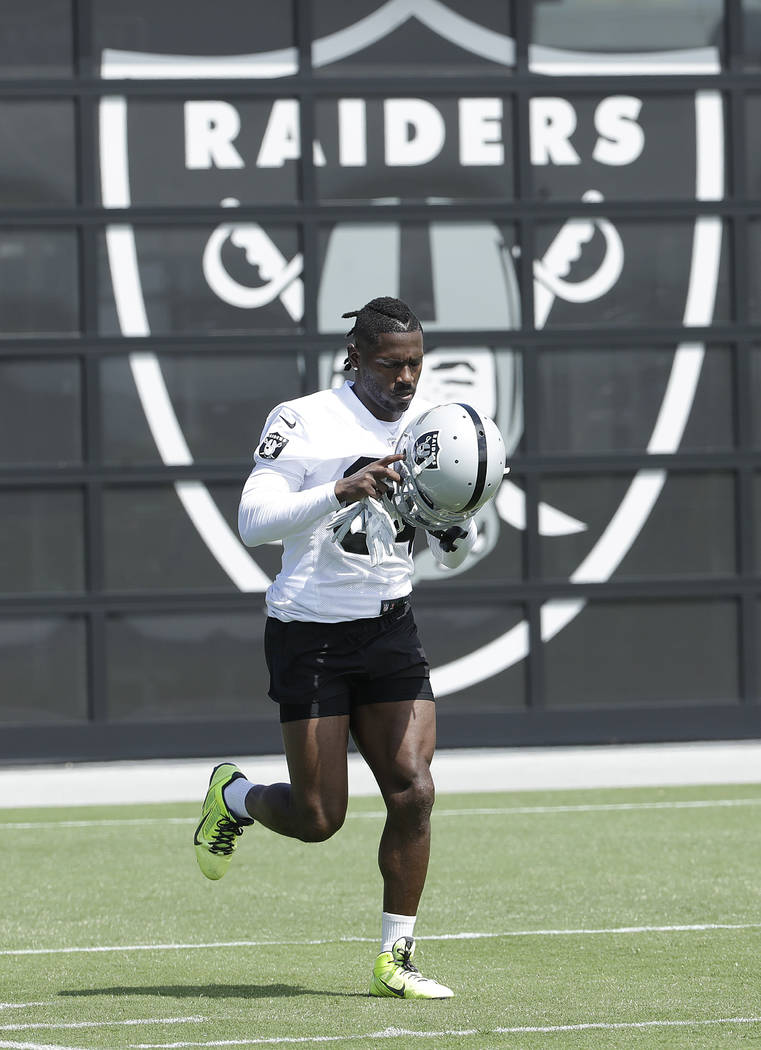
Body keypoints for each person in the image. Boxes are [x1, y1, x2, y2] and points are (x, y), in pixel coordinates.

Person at [193, 296, 477, 998]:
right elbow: (253, 522)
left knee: (413, 790)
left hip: (388, 629)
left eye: (415, 363)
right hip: (308, 632)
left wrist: (452, 525)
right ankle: (235, 796)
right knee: (318, 819)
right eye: (391, 364)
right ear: (356, 357)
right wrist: (338, 488)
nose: (406, 378)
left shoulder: (434, 427)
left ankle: (395, 956)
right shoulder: (303, 418)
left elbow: (453, 550)